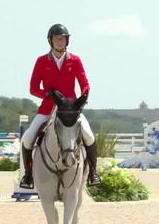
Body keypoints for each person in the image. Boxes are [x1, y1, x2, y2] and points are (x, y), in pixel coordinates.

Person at [19, 23, 101, 189]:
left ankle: (93, 172)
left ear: (67, 41)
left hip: (69, 111)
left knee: (89, 136)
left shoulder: (75, 60)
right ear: (51, 41)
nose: (60, 41)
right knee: (27, 138)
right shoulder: (42, 61)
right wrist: (46, 94)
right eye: (57, 39)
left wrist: (84, 96)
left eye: (63, 39)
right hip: (47, 109)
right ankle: (28, 175)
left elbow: (84, 84)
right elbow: (33, 88)